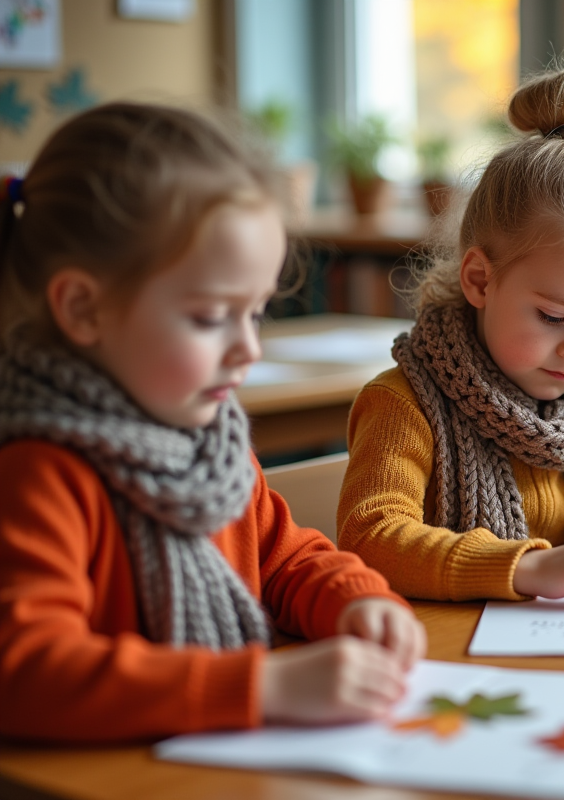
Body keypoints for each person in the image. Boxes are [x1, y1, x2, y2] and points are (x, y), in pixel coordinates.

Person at [0, 103, 425, 744]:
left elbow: (286, 561)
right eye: (209, 317)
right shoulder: (37, 472)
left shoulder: (210, 447)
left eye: (255, 313)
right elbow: (26, 675)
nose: (248, 349)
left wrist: (358, 599)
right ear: (83, 308)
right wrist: (264, 687)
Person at [338, 65, 564, 603]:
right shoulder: (404, 404)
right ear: (480, 280)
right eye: (554, 318)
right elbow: (371, 540)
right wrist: (526, 568)